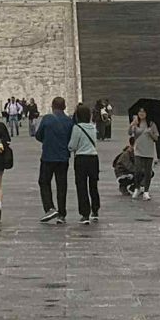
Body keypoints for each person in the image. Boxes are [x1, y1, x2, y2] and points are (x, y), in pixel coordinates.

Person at [33, 96, 74, 224]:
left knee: (44, 182)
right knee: (62, 185)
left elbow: (38, 135)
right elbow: (71, 139)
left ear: (52, 106)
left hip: (48, 157)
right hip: (63, 157)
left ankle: (50, 208)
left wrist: (48, 141)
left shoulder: (47, 119)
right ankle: (62, 213)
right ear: (64, 107)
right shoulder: (69, 121)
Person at [68, 104, 101, 224]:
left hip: (81, 158)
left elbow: (72, 145)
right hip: (94, 158)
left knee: (81, 186)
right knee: (93, 185)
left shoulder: (77, 128)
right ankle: (95, 210)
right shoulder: (93, 127)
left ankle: (85, 213)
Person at [128, 107, 158, 200]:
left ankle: (146, 191)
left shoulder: (151, 124)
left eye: (143, 111)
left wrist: (150, 133)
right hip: (138, 150)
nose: (141, 113)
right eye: (140, 111)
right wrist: (132, 125)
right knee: (137, 170)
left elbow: (156, 138)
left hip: (148, 150)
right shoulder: (136, 123)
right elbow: (129, 133)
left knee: (148, 172)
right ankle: (137, 189)